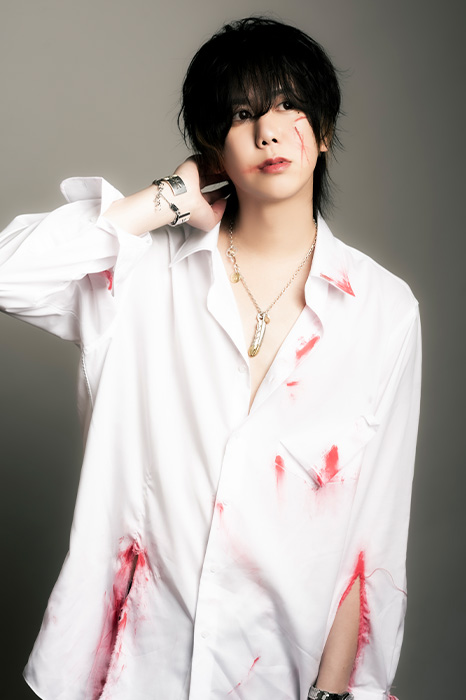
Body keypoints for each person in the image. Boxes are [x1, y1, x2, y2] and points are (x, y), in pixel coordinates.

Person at [0, 17, 421, 700]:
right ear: (212, 149)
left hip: (276, 679)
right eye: (242, 114)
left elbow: (373, 530)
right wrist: (166, 198)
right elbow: (8, 275)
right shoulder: (141, 275)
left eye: (288, 105)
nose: (268, 131)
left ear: (324, 130)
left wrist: (337, 690)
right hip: (125, 674)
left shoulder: (384, 312)